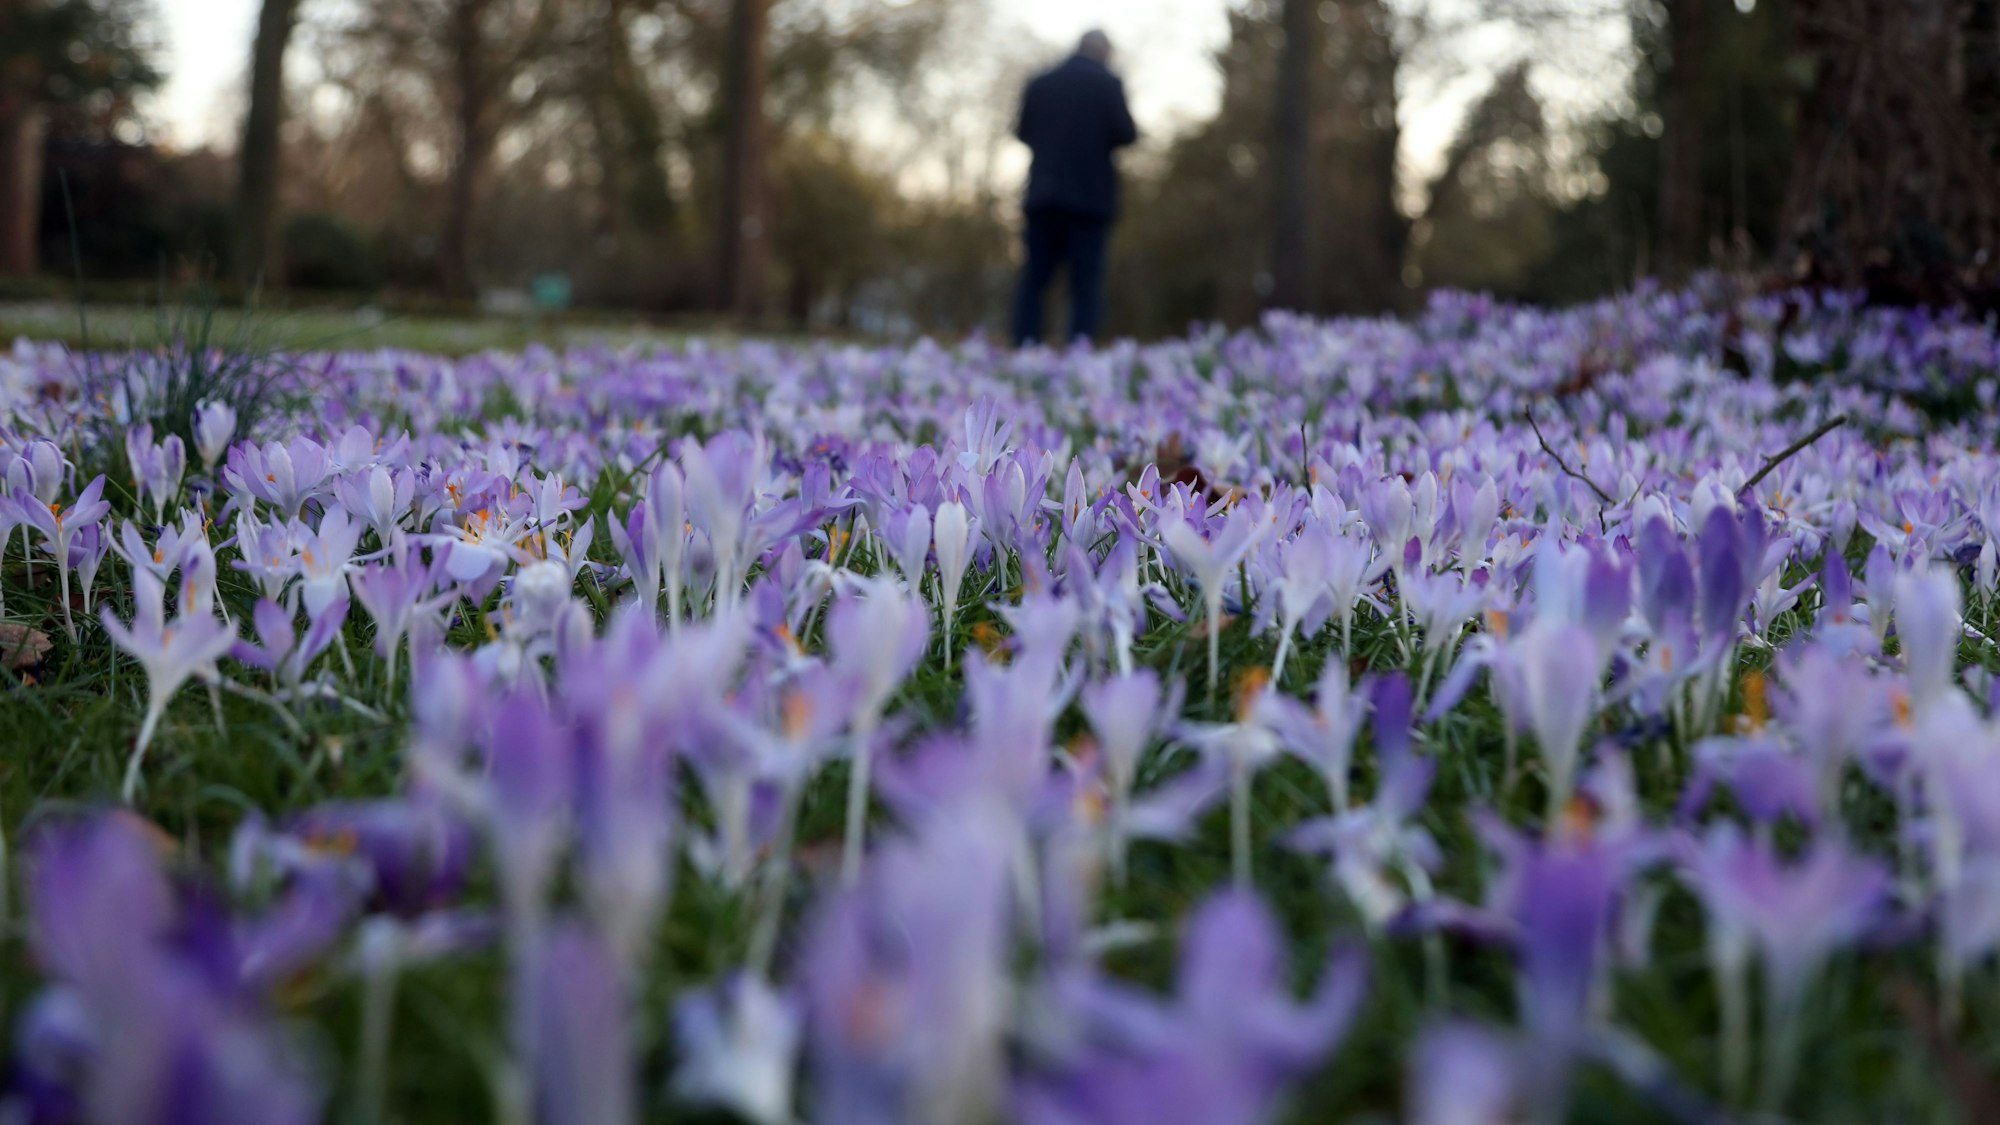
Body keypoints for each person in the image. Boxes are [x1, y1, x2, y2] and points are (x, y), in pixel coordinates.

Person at [1010, 29, 1138, 347]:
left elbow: (1022, 131)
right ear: (1103, 52)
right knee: (1085, 285)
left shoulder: (1042, 82)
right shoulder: (1108, 84)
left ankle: (1025, 346)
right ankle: (1078, 352)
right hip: (1089, 200)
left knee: (1034, 279)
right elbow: (1127, 133)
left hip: (1044, 194)